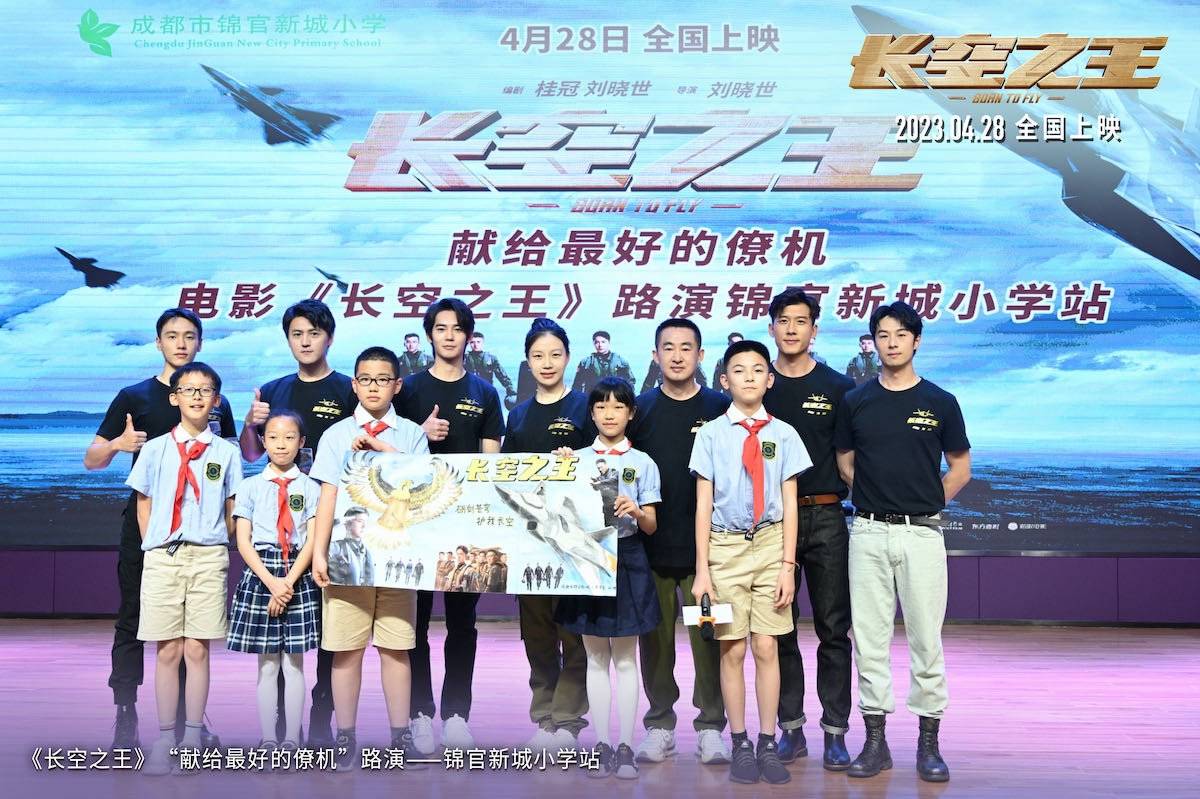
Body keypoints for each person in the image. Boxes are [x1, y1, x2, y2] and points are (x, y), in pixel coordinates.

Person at [85, 307, 235, 749]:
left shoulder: (216, 399)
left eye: (190, 335)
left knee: (192, 632)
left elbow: (228, 464)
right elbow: (91, 459)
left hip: (199, 534)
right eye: (172, 335)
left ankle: (190, 721)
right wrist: (118, 444)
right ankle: (125, 713)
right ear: (158, 342)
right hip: (147, 526)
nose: (181, 343)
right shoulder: (134, 396)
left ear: (200, 342)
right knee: (133, 616)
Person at [834, 302, 971, 784]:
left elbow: (960, 468)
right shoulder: (856, 401)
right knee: (869, 639)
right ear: (873, 342)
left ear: (916, 341)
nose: (891, 343)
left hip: (922, 534)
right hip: (868, 532)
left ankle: (929, 743)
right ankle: (875, 742)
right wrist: (876, 496)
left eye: (900, 334)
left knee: (925, 640)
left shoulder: (940, 401)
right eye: (883, 335)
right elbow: (845, 462)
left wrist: (927, 501)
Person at [690, 339, 810, 785]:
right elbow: (703, 505)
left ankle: (767, 741)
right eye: (739, 370)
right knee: (733, 647)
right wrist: (703, 570)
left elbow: (790, 504)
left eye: (758, 370)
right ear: (724, 380)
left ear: (769, 379)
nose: (749, 377)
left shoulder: (785, 434)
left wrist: (787, 565)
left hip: (771, 545)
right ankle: (739, 740)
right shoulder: (710, 434)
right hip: (725, 549)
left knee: (767, 646)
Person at [238, 298, 355, 746]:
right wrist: (250, 424)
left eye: (314, 334)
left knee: (325, 630)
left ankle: (321, 721)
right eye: (296, 334)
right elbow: (252, 453)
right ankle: (284, 730)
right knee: (280, 644)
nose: (305, 342)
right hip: (288, 522)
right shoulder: (273, 389)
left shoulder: (347, 389)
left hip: (335, 519)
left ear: (330, 338)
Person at [309, 345, 429, 769]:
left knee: (396, 648)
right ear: (354, 384)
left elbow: (421, 484)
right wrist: (319, 553)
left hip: (398, 558)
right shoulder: (335, 435)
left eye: (382, 379)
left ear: (397, 385)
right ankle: (346, 736)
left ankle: (400, 736)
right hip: (347, 558)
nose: (374, 387)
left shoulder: (411, 433)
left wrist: (379, 447)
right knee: (347, 649)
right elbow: (326, 496)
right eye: (365, 379)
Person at [394, 297, 503, 754]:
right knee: (413, 622)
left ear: (468, 336)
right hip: (415, 521)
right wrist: (419, 434)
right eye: (441, 328)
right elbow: (388, 452)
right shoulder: (408, 390)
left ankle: (457, 715)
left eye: (458, 328)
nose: (449, 335)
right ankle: (419, 713)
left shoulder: (484, 392)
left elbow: (491, 461)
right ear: (430, 335)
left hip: (465, 522)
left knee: (462, 623)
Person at [125, 362, 242, 775]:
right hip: (163, 557)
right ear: (174, 397)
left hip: (208, 557)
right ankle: (164, 738)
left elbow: (232, 507)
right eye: (188, 389)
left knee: (197, 648)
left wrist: (213, 538)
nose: (197, 396)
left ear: (216, 400)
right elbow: (144, 503)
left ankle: (192, 737)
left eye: (205, 390)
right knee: (168, 649)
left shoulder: (226, 453)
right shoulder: (155, 449)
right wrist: (156, 544)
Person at [627, 318, 731, 765]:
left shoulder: (721, 406)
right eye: (667, 347)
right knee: (654, 644)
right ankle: (659, 726)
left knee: (709, 640)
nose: (676, 355)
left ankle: (711, 727)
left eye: (686, 347)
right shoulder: (640, 409)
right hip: (650, 551)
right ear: (655, 356)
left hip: (707, 555)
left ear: (701, 355)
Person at [762, 288, 855, 769]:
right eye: (784, 320)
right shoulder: (759, 383)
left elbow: (848, 460)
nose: (792, 329)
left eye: (801, 321)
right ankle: (791, 729)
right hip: (771, 521)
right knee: (779, 628)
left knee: (833, 628)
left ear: (814, 330)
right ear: (771, 328)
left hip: (824, 517)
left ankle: (835, 733)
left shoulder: (839, 387)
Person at [555, 378, 662, 779]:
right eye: (601, 407)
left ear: (631, 413)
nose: (609, 414)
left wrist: (636, 510)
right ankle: (601, 744)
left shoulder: (644, 462)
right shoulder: (575, 459)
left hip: (628, 556)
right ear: (592, 413)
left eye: (618, 407)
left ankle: (626, 746)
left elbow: (651, 525)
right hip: (587, 558)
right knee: (595, 657)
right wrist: (559, 468)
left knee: (626, 658)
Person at [503, 318, 593, 750]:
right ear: (527, 361)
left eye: (555, 354)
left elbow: (603, 464)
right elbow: (504, 475)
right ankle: (544, 715)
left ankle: (569, 718)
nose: (547, 363)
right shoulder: (518, 414)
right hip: (529, 539)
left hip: (575, 537)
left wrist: (578, 460)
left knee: (573, 629)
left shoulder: (585, 407)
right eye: (538, 355)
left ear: (568, 358)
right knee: (537, 630)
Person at [227, 410, 322, 752]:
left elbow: (313, 539)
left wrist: (289, 582)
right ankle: (269, 738)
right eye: (273, 437)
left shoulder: (311, 487)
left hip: (298, 573)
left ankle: (292, 739)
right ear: (263, 442)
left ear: (301, 442)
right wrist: (272, 582)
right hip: (261, 574)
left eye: (289, 437)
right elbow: (243, 542)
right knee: (267, 665)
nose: (281, 444)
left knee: (294, 664)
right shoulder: (249, 486)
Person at [464, 331, 518, 410]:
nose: (475, 345)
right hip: (470, 392)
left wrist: (510, 390)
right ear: (469, 343)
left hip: (487, 392)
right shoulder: (464, 358)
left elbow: (502, 376)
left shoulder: (491, 359)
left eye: (478, 342)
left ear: (482, 343)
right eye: (472, 342)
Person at [572, 330, 634, 395]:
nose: (600, 345)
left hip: (615, 397)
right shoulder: (586, 362)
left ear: (608, 343)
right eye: (597, 342)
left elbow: (630, 383)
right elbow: (577, 385)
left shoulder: (620, 362)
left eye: (603, 342)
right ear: (594, 344)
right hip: (592, 397)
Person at [328, 508, 374, 587]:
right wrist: (339, 521)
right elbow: (319, 538)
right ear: (347, 523)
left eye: (366, 522)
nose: (364, 526)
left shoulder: (367, 553)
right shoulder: (336, 548)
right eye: (360, 521)